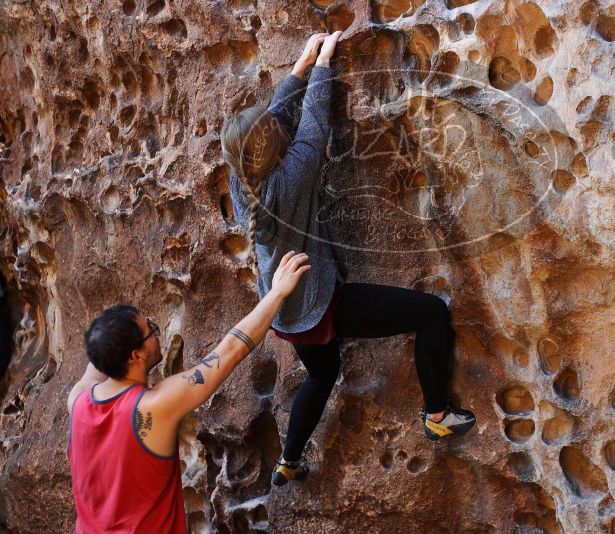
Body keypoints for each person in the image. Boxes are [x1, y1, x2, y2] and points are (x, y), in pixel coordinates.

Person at [221, 31, 476, 488]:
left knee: (322, 372)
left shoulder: (244, 179)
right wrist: (323, 65)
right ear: (274, 142)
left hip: (286, 309)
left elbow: (274, 120)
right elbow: (313, 125)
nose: (277, 123)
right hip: (323, 303)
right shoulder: (294, 175)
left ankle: (289, 460)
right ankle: (437, 414)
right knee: (432, 313)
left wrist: (301, 63)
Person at [66, 250, 311, 533]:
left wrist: (115, 328)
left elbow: (98, 355)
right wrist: (278, 293)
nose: (157, 335)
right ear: (135, 356)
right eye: (151, 331)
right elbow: (231, 350)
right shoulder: (152, 407)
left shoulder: (78, 400)